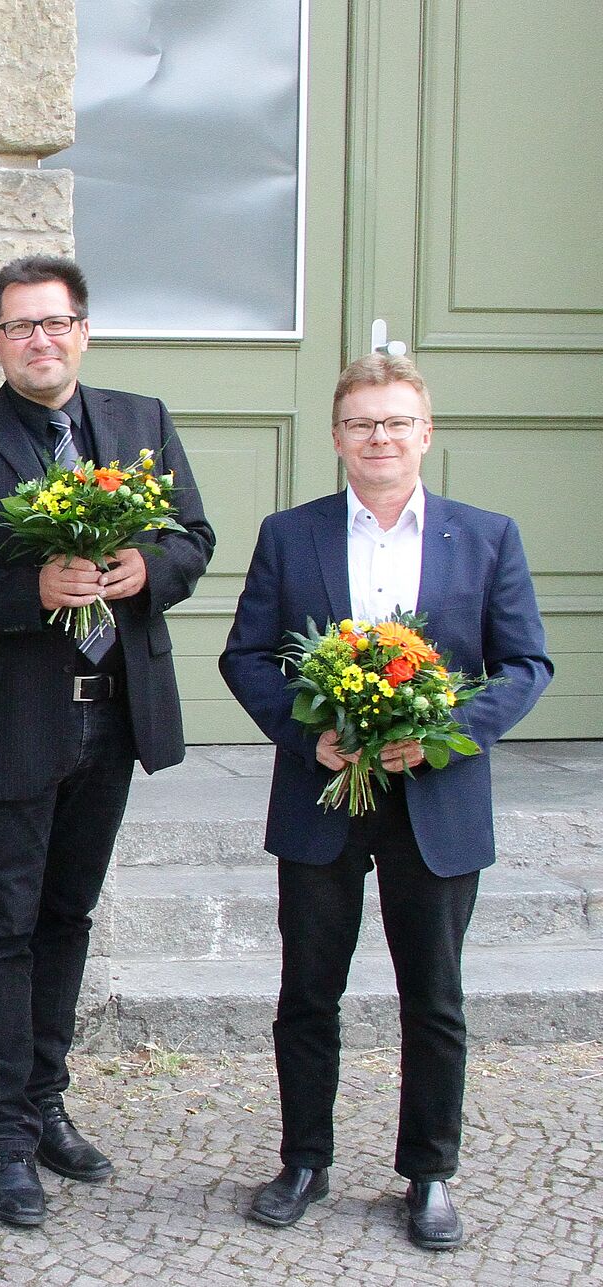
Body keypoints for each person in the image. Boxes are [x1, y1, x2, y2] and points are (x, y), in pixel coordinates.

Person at [0, 255, 215, 1227]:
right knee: (4, 923)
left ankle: (45, 1097)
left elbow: (194, 539)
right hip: (13, 715)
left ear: (82, 328)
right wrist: (29, 591)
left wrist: (141, 567)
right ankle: (2, 1136)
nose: (41, 340)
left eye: (56, 322)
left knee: (68, 917)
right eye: (20, 326)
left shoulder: (140, 422)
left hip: (113, 710)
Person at [219, 353, 551, 1250]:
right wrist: (308, 733)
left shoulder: (486, 537)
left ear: (425, 433)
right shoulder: (293, 535)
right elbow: (246, 657)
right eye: (363, 423)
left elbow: (526, 665)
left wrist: (443, 731)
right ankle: (304, 1160)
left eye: (397, 421)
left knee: (434, 998)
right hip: (323, 795)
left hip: (437, 802)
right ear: (336, 438)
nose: (380, 438)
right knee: (307, 990)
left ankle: (429, 1172)